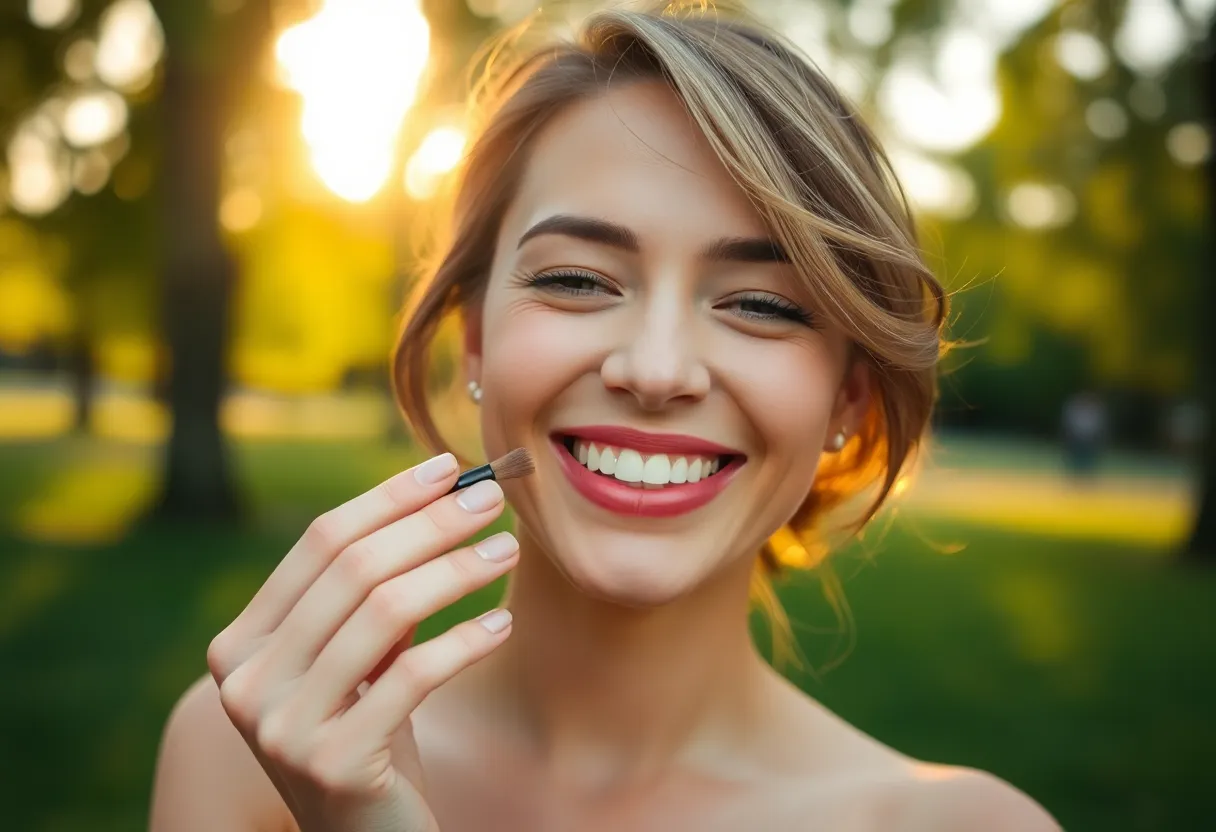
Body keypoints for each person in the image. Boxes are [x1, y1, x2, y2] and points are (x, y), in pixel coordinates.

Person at [149, 5, 1060, 830]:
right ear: (473, 346)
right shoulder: (248, 751)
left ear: (847, 400)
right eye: (577, 280)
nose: (656, 371)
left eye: (762, 303)